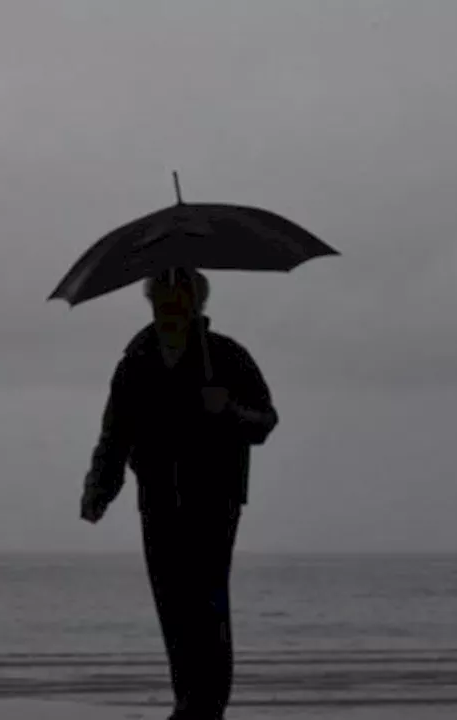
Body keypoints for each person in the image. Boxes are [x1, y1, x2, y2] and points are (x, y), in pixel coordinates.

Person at [80, 268, 278, 720]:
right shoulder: (136, 359)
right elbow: (115, 433)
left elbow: (265, 421)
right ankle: (188, 699)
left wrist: (227, 410)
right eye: (161, 298)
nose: (169, 306)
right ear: (151, 302)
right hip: (157, 498)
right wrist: (99, 488)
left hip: (215, 499)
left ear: (196, 303)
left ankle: (207, 705)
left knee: (208, 605)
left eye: (179, 297)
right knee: (172, 604)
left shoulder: (226, 356)